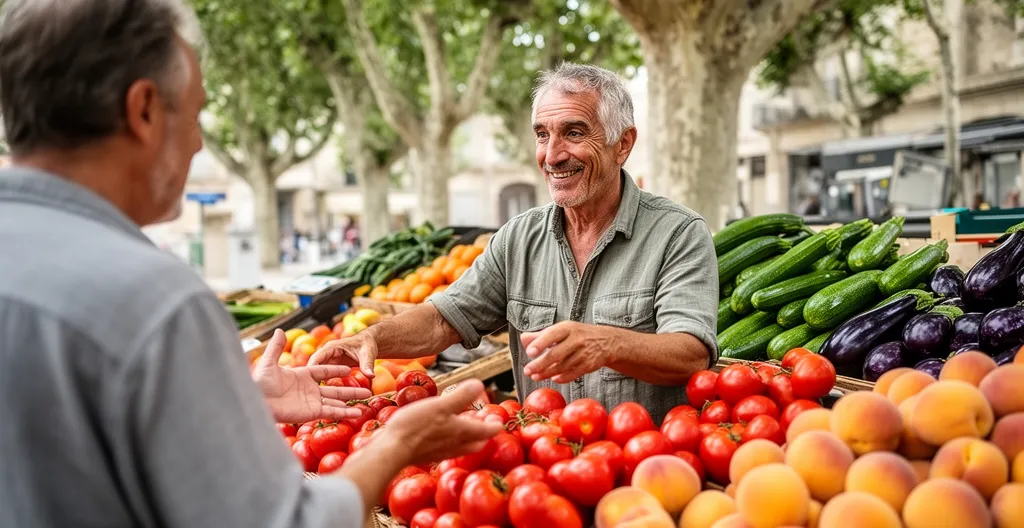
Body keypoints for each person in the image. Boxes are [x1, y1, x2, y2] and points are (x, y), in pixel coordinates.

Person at [0, 1, 501, 526]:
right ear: (144, 109)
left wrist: (226, 407)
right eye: (194, 115)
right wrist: (395, 444)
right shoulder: (152, 303)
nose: (196, 142)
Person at [313, 63, 719, 422]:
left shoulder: (678, 234)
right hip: (543, 470)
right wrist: (373, 338)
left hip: (645, 470)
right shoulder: (518, 238)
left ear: (623, 145)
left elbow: (690, 353)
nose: (553, 155)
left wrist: (607, 343)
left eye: (574, 133)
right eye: (543, 135)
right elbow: (443, 319)